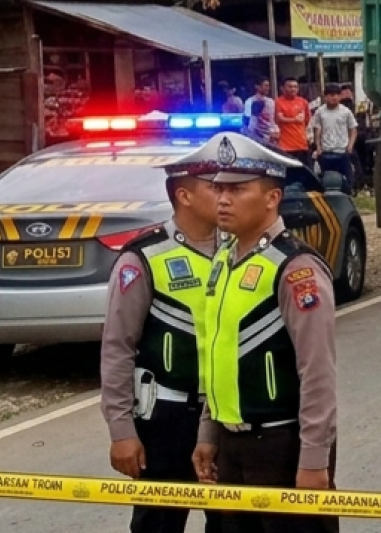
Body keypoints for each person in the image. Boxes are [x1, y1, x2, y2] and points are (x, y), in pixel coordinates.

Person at [188, 132, 339, 533]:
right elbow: (215, 353)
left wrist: (313, 461)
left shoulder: (295, 270)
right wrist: (209, 431)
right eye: (218, 188)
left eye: (237, 189)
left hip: (281, 445)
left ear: (272, 198)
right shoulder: (223, 260)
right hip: (230, 444)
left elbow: (318, 374)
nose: (222, 199)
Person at [99, 156, 223, 533]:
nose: (225, 195)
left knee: (232, 522)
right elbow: (117, 347)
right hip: (167, 418)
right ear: (184, 195)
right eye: (215, 187)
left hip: (226, 417)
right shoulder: (144, 258)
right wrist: (121, 431)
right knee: (159, 524)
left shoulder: (240, 250)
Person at [311, 83, 358, 192]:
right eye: (331, 95)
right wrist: (318, 146)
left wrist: (350, 145)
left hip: (342, 151)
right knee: (325, 181)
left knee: (346, 181)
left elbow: (353, 129)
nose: (334, 97)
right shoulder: (320, 112)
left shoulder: (346, 112)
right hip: (326, 151)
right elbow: (317, 129)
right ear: (325, 96)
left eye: (337, 95)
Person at [274, 77, 312, 168]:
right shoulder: (278, 102)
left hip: (302, 144)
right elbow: (278, 119)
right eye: (290, 86)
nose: (293, 89)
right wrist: (295, 119)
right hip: (285, 146)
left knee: (305, 170)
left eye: (295, 87)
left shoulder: (303, 102)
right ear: (282, 88)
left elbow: (307, 120)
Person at [244, 78, 279, 146]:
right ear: (257, 86)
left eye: (268, 86)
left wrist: (275, 131)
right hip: (256, 137)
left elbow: (272, 120)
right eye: (265, 86)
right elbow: (248, 121)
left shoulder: (271, 101)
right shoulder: (250, 101)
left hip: (270, 137)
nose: (267, 88)